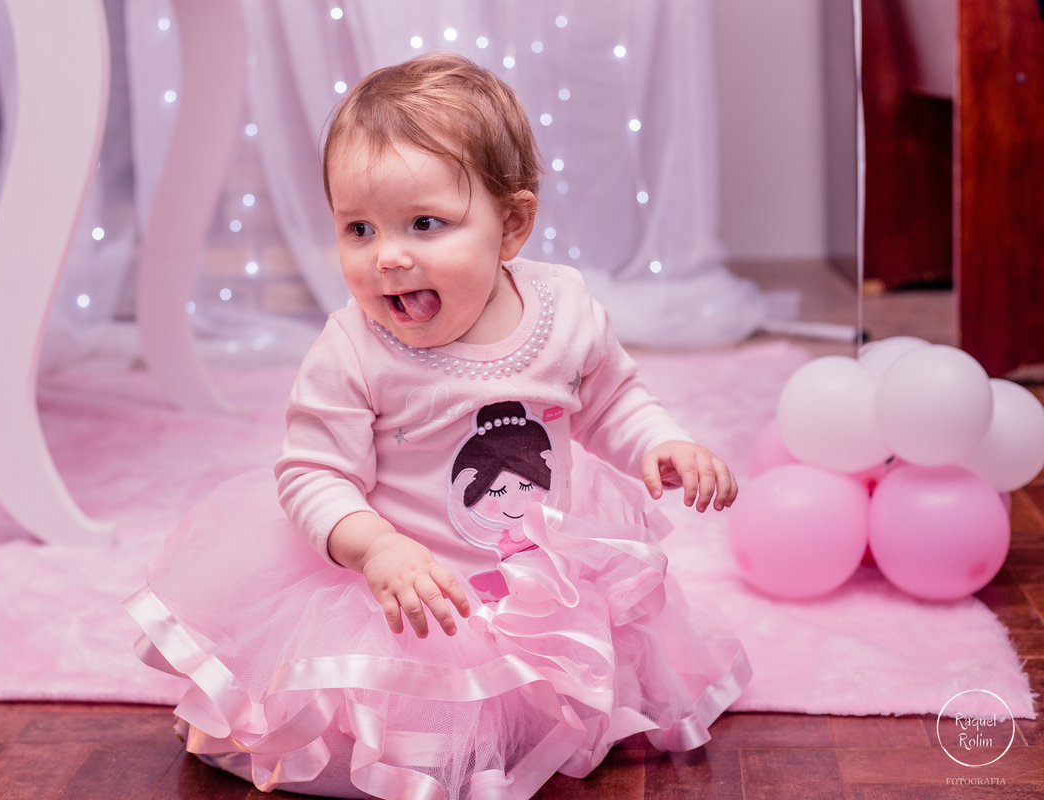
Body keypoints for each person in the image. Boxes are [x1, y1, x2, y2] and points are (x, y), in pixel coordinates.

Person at [126, 52, 748, 800]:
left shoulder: (565, 314)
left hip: (533, 582)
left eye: (425, 224)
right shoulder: (353, 350)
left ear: (511, 226)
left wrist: (661, 443)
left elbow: (612, 399)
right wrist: (375, 547)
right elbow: (313, 474)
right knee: (379, 747)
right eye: (358, 228)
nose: (388, 256)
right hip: (407, 593)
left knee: (558, 703)